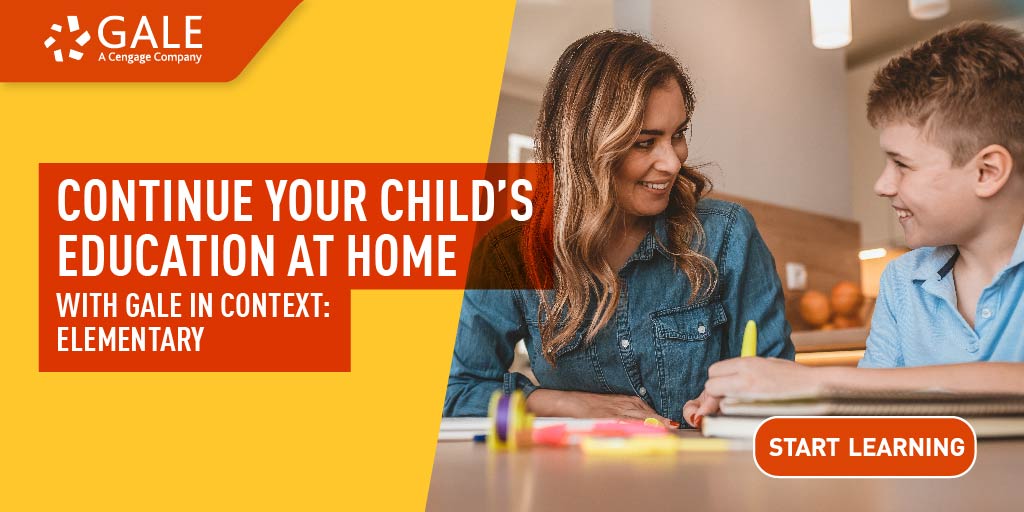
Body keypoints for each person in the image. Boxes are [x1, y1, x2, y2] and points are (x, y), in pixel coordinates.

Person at [443, 30, 794, 424]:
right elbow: (457, 391)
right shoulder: (510, 253)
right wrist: (567, 403)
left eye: (677, 135)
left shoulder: (727, 235)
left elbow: (781, 392)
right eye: (645, 142)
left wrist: (737, 402)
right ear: (585, 147)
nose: (672, 162)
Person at [684, 21, 1024, 428]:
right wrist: (756, 405)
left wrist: (820, 381)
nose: (882, 184)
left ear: (987, 172)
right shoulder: (903, 280)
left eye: (901, 164)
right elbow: (869, 412)